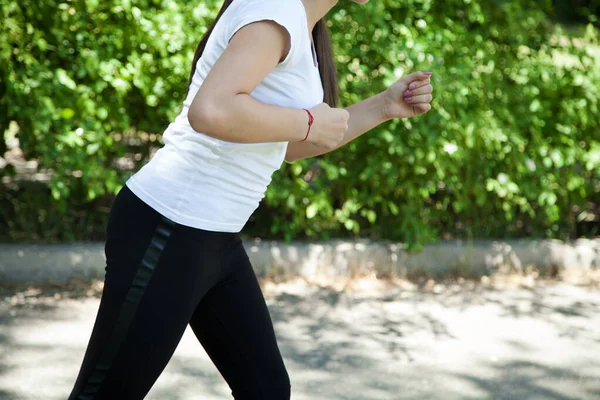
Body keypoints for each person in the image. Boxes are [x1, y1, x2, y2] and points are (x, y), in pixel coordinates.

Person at [67, 0, 434, 398]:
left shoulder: (304, 27)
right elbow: (211, 110)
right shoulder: (274, 10)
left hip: (216, 239)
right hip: (169, 226)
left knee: (266, 389)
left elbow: (289, 144)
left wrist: (383, 106)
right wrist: (309, 121)